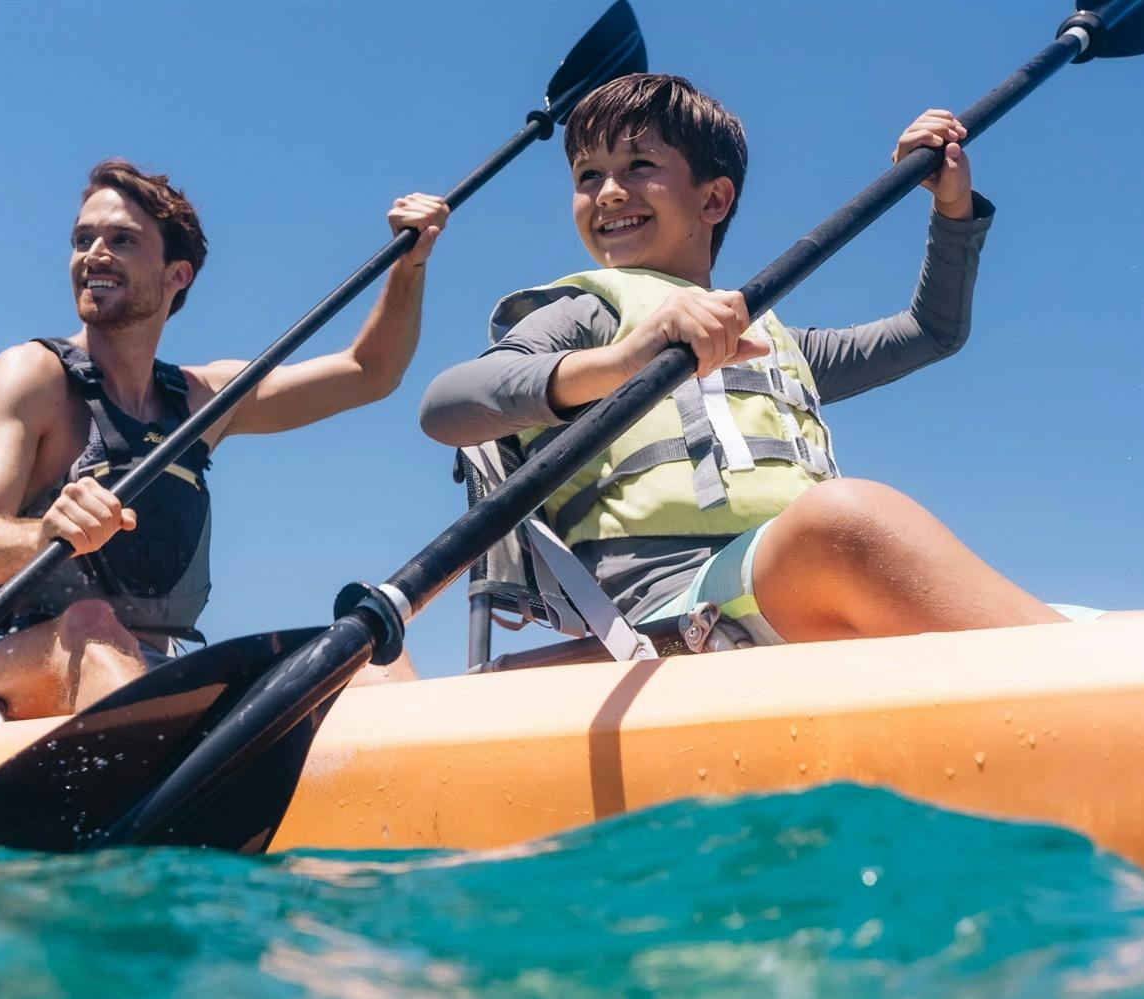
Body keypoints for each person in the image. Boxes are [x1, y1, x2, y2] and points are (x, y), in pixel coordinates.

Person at [420, 74, 1090, 650]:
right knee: (843, 518)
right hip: (665, 609)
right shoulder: (587, 315)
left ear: (713, 199)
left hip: (786, 584)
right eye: (588, 175)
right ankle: (1083, 684)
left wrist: (951, 207)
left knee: (1086, 611)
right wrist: (628, 357)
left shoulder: (766, 340)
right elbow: (447, 405)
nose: (609, 192)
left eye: (638, 167)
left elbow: (932, 330)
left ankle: (1095, 665)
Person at [0, 159, 448, 718]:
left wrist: (411, 260)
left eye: (122, 240)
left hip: (153, 667)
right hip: (4, 658)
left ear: (176, 275)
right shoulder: (32, 375)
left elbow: (368, 372)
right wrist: (43, 536)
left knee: (368, 659)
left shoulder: (202, 399)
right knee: (93, 626)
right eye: (83, 239)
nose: (94, 255)